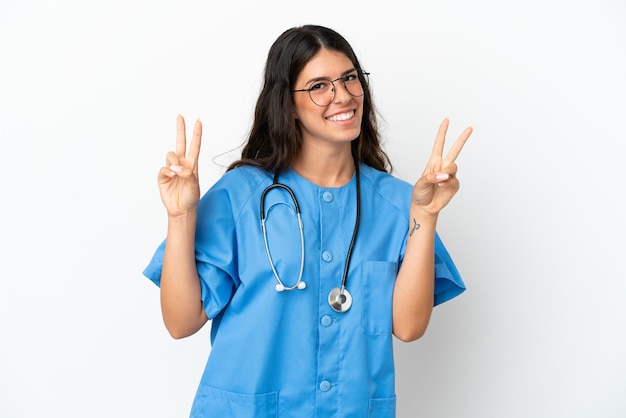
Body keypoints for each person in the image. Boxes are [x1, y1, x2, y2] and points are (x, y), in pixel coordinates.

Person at [143, 24, 472, 418]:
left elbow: (408, 327)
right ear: (286, 102)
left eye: (350, 78)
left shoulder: (400, 203)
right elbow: (181, 323)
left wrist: (425, 217)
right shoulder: (241, 195)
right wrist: (180, 217)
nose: (343, 96)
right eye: (319, 86)